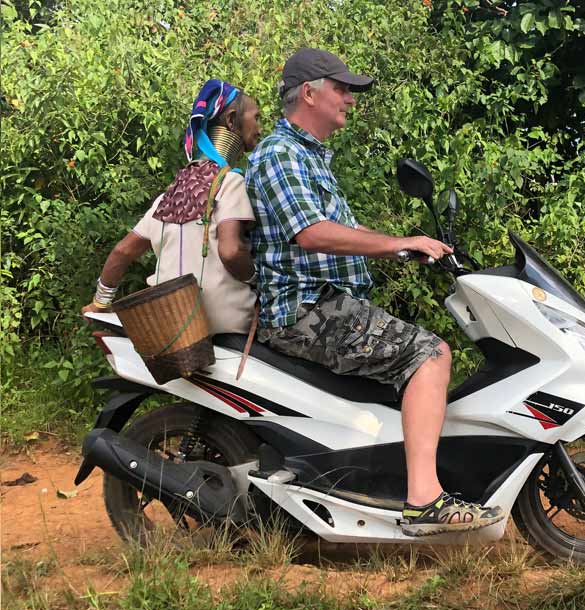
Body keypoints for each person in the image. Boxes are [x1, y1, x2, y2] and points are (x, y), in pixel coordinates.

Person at [246, 48, 503, 537]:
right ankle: (424, 501)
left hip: (326, 305)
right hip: (306, 310)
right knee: (430, 355)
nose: (349, 99)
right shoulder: (280, 155)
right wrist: (395, 243)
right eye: (341, 89)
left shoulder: (308, 157)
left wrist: (408, 247)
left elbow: (341, 228)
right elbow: (312, 233)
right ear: (309, 93)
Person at [83, 79, 262, 336]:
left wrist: (100, 302)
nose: (259, 127)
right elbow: (231, 252)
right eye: (256, 118)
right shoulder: (229, 182)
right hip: (226, 328)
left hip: (171, 323)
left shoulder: (171, 193)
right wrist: (257, 279)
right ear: (232, 121)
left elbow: (122, 251)